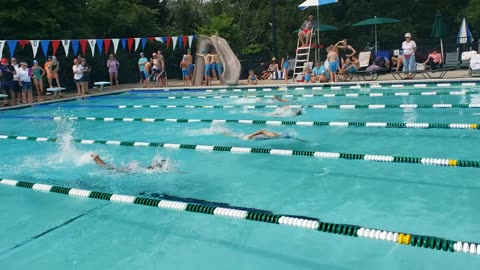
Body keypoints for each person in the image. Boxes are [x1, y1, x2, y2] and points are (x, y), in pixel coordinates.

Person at [90, 153, 172, 173]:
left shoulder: (150, 168)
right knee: (114, 170)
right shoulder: (151, 170)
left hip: (133, 166)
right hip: (133, 168)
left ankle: (97, 159)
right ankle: (97, 159)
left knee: (115, 169)